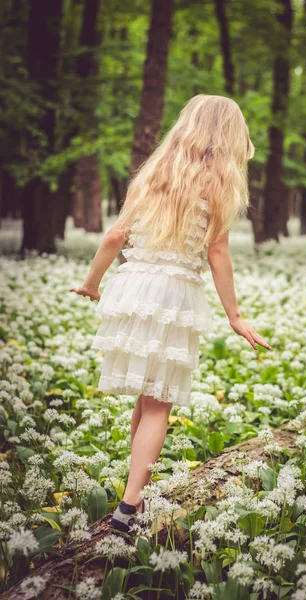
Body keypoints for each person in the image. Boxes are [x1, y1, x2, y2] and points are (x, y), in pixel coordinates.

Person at [69, 94, 272, 534]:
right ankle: (130, 505)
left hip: (133, 288)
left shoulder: (153, 174)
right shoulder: (219, 185)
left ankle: (132, 493)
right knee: (159, 403)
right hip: (174, 294)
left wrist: (92, 283)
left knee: (147, 397)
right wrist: (235, 316)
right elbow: (217, 253)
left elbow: (113, 236)